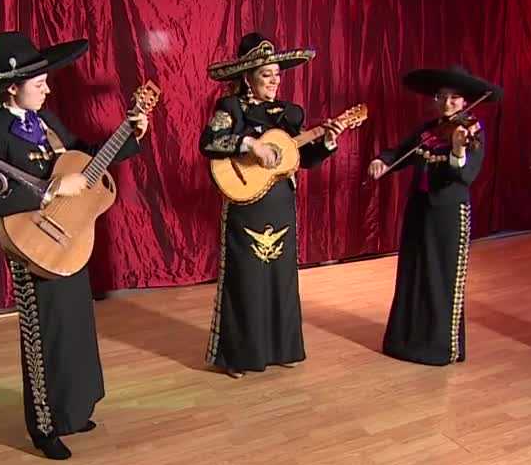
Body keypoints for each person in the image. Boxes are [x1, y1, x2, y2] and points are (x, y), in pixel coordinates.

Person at [0, 31, 148, 461]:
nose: (48, 88)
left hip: (69, 239)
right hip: (31, 245)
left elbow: (86, 161)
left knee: (74, 328)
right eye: (39, 83)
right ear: (11, 87)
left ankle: (72, 410)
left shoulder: (49, 123)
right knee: (43, 337)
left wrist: (130, 133)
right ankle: (43, 425)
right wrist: (49, 193)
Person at [199, 32, 348, 378]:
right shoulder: (230, 108)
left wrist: (326, 142)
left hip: (281, 204)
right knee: (246, 279)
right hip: (245, 203)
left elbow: (302, 158)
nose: (274, 80)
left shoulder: (289, 114)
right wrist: (250, 144)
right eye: (267, 74)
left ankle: (282, 348)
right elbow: (209, 143)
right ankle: (239, 356)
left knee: (280, 279)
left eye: (277, 74)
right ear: (247, 77)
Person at [368, 66, 499, 366]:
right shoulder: (428, 130)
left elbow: (466, 175)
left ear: (465, 102)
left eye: (455, 98)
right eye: (442, 97)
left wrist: (457, 151)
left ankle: (441, 346)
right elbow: (400, 151)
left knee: (443, 277)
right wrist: (382, 161)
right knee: (414, 272)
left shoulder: (473, 132)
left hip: (449, 213)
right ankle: (408, 340)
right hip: (420, 208)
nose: (447, 103)